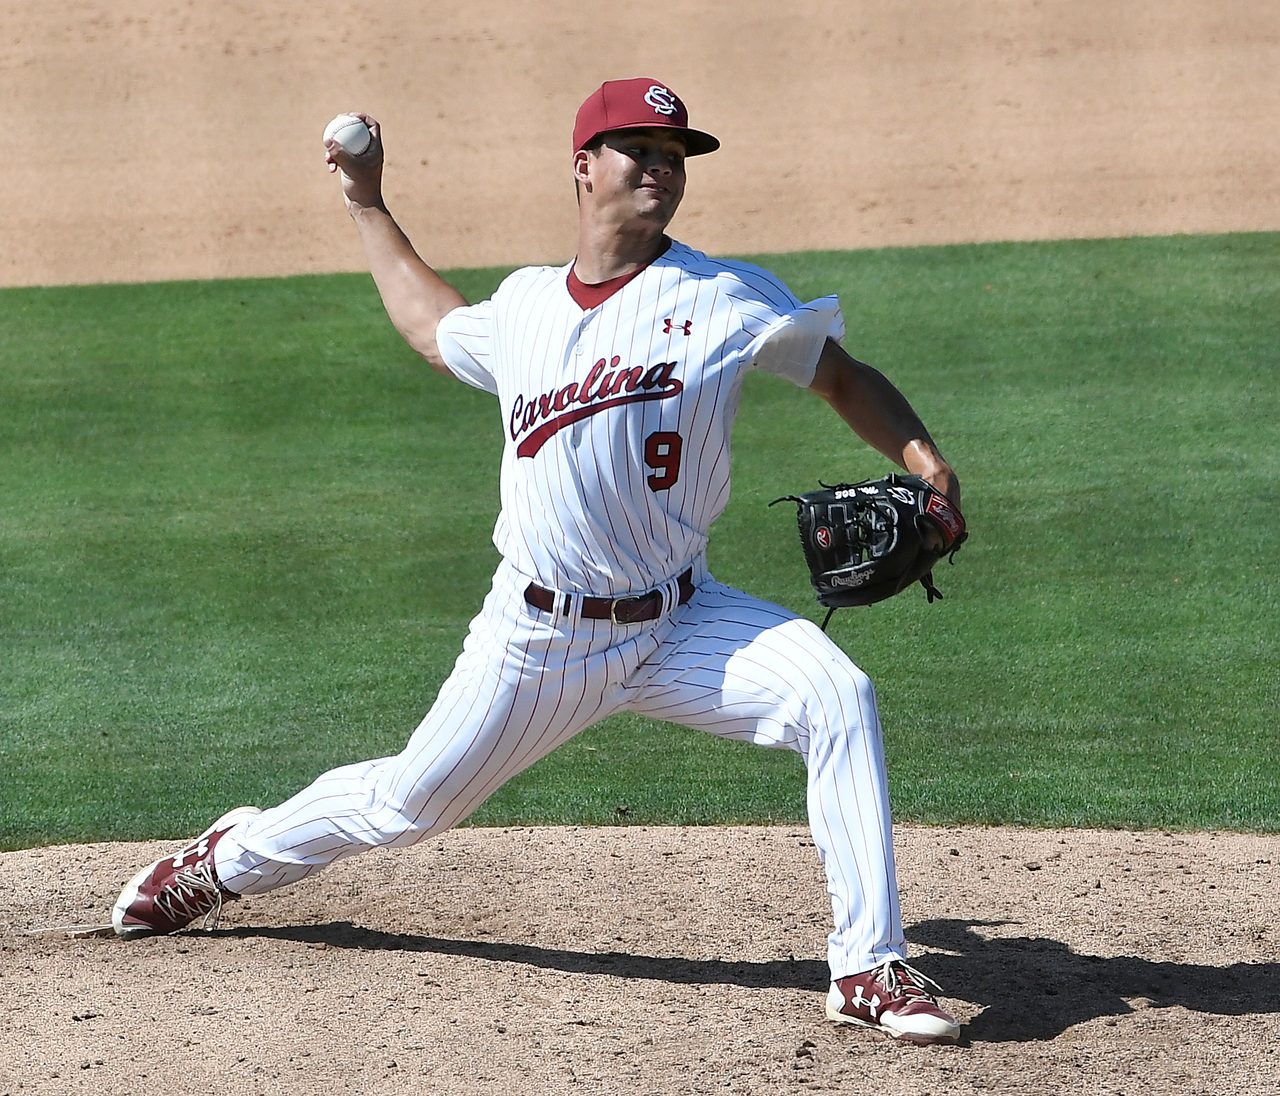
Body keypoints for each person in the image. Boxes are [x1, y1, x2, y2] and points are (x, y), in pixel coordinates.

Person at [112, 78, 965, 1045]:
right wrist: (367, 201)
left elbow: (840, 377)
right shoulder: (523, 307)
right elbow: (432, 328)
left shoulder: (723, 296)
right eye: (639, 149)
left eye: (675, 154)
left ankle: (867, 966)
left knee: (837, 696)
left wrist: (927, 463)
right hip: (538, 640)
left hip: (685, 620)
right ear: (584, 166)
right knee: (405, 805)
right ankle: (224, 861)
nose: (661, 166)